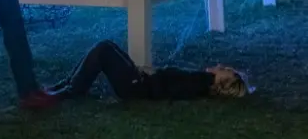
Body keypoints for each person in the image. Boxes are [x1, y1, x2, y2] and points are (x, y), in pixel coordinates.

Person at [49, 40, 251, 101]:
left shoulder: (202, 81)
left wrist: (148, 77)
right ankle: (68, 84)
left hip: (137, 88)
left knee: (104, 50)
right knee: (108, 46)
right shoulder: (200, 82)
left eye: (224, 70)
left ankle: (71, 90)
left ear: (221, 83)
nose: (219, 66)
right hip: (141, 82)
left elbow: (166, 88)